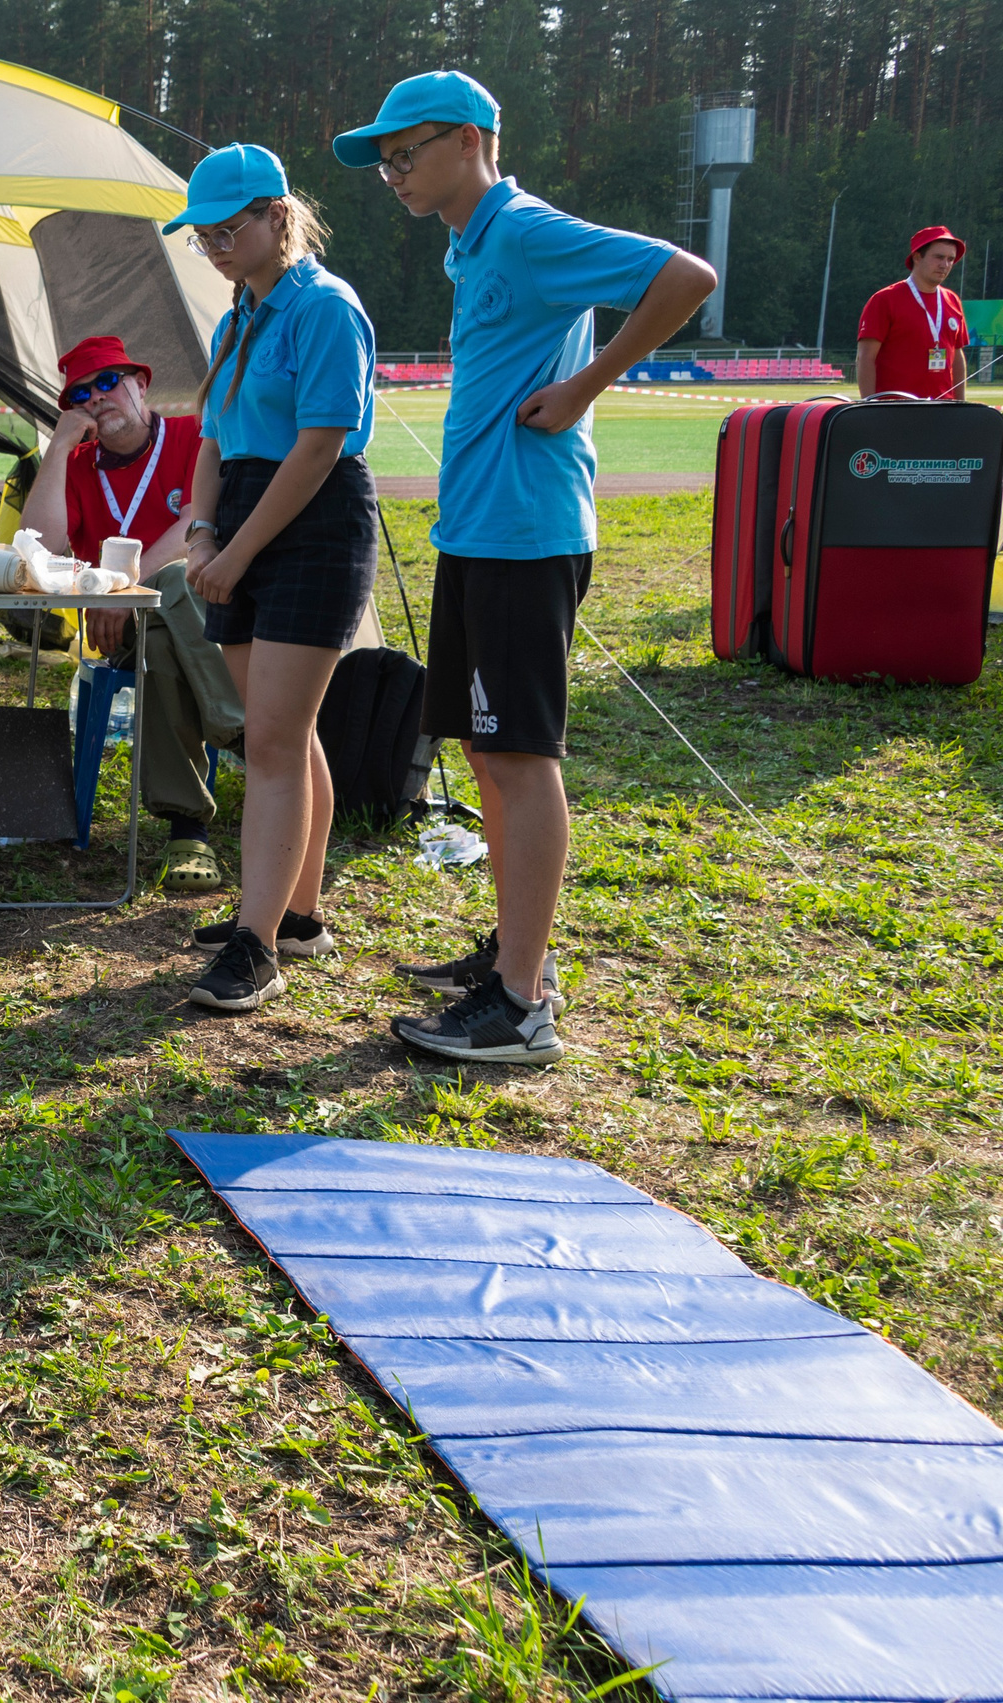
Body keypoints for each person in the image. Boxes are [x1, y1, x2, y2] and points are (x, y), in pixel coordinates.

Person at [336, 70, 714, 1063]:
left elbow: (685, 275)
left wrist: (586, 384)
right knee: (480, 749)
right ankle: (515, 952)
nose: (394, 174)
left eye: (405, 153)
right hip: (480, 529)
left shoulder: (527, 230)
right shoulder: (475, 245)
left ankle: (520, 1004)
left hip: (526, 531)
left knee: (518, 755)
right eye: (383, 164)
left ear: (468, 140)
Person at [159, 145, 382, 1016]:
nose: (214, 246)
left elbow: (320, 447)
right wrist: (204, 530)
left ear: (278, 217)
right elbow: (212, 442)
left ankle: (258, 947)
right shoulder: (237, 317)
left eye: (228, 229)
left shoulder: (325, 310)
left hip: (313, 519)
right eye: (201, 236)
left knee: (271, 744)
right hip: (247, 511)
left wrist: (240, 550)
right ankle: (295, 915)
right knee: (281, 731)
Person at [22, 333, 240, 893]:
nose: (96, 398)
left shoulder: (194, 434)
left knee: (172, 596)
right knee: (161, 621)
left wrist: (124, 589)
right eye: (79, 395)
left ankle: (188, 827)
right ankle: (240, 730)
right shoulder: (76, 463)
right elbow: (39, 546)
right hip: (119, 627)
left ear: (140, 384)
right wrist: (58, 446)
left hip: (208, 609)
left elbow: (197, 520)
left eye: (107, 382)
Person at [857, 227, 970, 400]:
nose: (945, 265)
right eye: (939, 257)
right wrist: (870, 407)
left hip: (944, 410)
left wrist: (961, 405)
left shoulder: (952, 300)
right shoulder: (885, 299)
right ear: (917, 257)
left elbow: (957, 357)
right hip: (895, 409)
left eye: (950, 259)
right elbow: (865, 358)